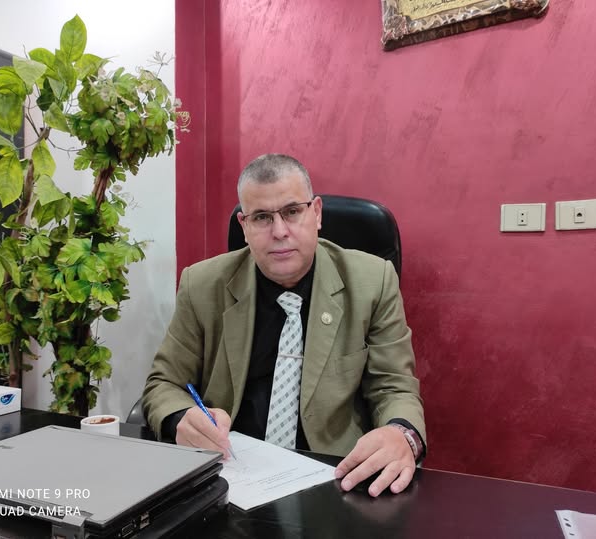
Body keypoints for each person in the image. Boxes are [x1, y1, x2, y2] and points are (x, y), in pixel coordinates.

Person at [142, 154, 426, 497]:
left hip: (336, 478)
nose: (279, 232)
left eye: (292, 212)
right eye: (262, 217)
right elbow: (164, 384)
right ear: (244, 226)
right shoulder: (202, 284)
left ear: (316, 213)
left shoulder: (372, 281)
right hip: (231, 476)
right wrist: (180, 418)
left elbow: (394, 388)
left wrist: (401, 434)